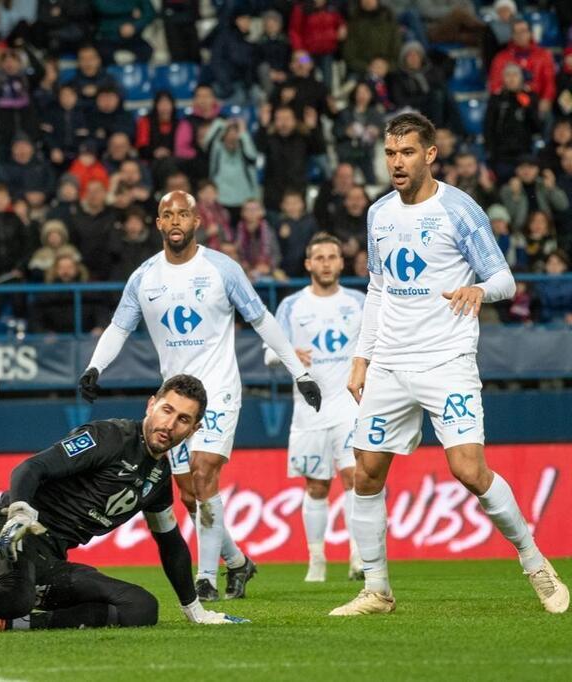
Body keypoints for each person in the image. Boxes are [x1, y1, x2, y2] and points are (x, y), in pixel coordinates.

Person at [334, 112, 569, 616]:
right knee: (366, 473)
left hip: (446, 360)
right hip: (391, 362)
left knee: (468, 469)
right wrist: (361, 357)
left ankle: (533, 560)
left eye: (407, 152)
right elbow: (378, 288)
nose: (397, 162)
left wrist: (478, 289)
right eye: (391, 153)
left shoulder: (460, 210)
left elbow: (506, 280)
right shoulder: (379, 213)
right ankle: (377, 590)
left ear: (430, 154)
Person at [0, 375, 250, 636]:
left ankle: (9, 624)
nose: (170, 424)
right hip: (4, 533)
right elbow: (31, 467)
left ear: (194, 429)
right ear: (151, 405)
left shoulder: (159, 479)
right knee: (17, 593)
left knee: (140, 606)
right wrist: (21, 512)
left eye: (183, 420)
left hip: (49, 560)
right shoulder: (108, 437)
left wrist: (193, 608)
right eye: (167, 410)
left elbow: (171, 543)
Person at [79, 190, 323, 601]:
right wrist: (94, 366)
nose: (176, 221)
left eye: (183, 214)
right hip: (171, 401)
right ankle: (240, 562)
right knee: (190, 495)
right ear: (158, 223)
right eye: (167, 215)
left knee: (205, 470)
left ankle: (206, 578)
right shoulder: (144, 277)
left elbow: (261, 320)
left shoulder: (221, 269)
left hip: (219, 389)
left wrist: (300, 373)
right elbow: (120, 328)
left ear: (197, 221)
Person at [265, 233, 365, 583]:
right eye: (318, 257)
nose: (326, 263)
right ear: (308, 264)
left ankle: (357, 557)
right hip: (309, 409)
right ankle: (317, 559)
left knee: (355, 477)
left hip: (349, 404)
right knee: (317, 486)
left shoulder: (359, 302)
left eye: (332, 256)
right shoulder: (292, 305)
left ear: (341, 262)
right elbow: (268, 353)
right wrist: (289, 354)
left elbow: (378, 344)